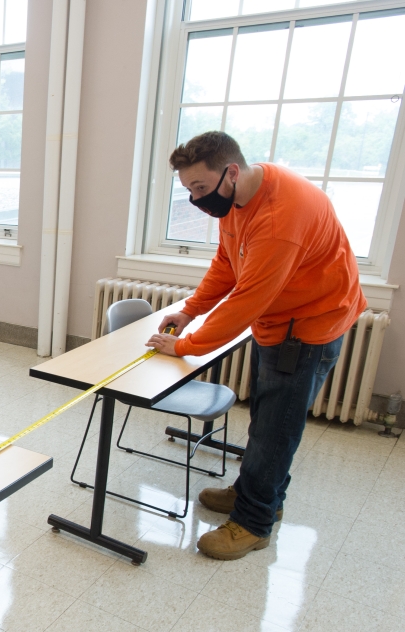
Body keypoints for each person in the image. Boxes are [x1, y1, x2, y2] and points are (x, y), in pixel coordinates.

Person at [146, 131, 365, 561]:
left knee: (274, 431)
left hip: (308, 328)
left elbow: (249, 298)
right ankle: (259, 495)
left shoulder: (282, 217)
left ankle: (253, 522)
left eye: (201, 188)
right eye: (189, 189)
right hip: (279, 321)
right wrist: (190, 311)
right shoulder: (239, 200)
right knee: (267, 416)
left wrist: (186, 346)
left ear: (230, 172)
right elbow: (226, 265)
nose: (195, 199)